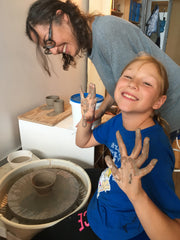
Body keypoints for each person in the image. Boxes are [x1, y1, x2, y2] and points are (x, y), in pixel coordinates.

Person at [32, 54, 180, 240]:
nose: (133, 84)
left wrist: (137, 195)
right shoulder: (118, 121)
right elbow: (83, 142)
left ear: (158, 102)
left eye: (147, 83)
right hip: (102, 206)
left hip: (114, 231)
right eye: (128, 76)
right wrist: (86, 120)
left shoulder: (155, 149)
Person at [25, 0, 180, 138]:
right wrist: (100, 111)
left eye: (49, 40)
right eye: (47, 47)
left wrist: (113, 130)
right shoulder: (91, 42)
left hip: (172, 104)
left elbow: (135, 92)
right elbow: (119, 85)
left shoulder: (106, 32)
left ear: (63, 17)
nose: (53, 51)